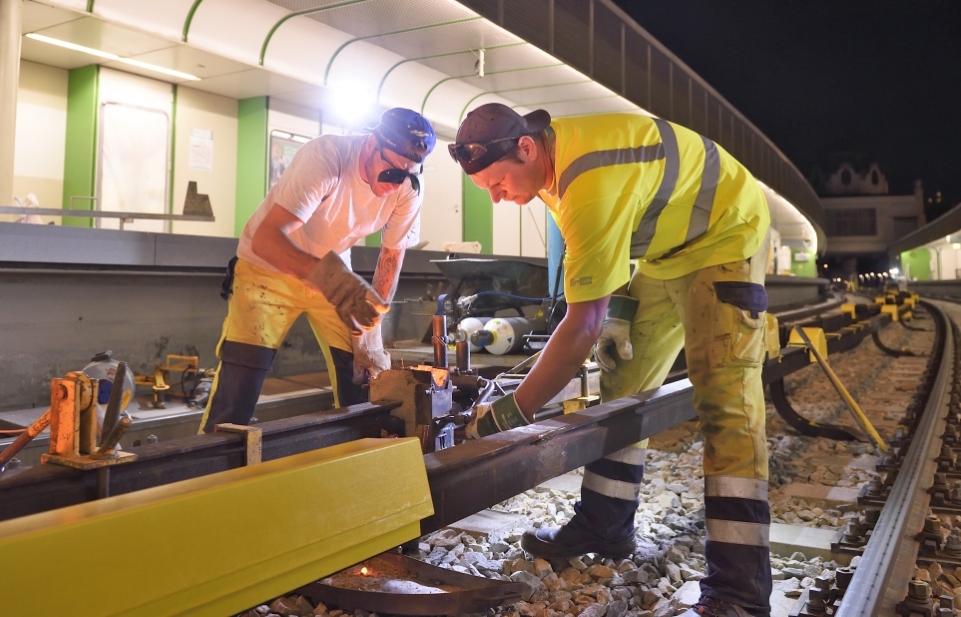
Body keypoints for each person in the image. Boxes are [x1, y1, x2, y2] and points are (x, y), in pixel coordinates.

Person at [450, 104, 773, 617]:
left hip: (725, 237)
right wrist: (620, 309)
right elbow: (612, 245)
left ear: (526, 148)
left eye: (497, 182)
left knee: (726, 402)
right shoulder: (554, 164)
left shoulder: (586, 180)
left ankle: (740, 590)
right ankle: (606, 524)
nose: (496, 196)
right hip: (666, 255)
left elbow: (580, 327)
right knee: (623, 385)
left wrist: (512, 413)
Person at [198, 108, 435, 433]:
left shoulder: (408, 187)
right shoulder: (326, 158)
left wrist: (372, 324)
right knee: (238, 391)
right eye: (392, 173)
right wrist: (331, 281)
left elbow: (391, 257)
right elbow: (267, 240)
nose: (397, 186)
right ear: (370, 145)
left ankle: (361, 462)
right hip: (268, 268)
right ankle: (211, 472)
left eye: (408, 176)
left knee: (363, 379)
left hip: (331, 272)